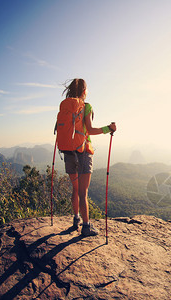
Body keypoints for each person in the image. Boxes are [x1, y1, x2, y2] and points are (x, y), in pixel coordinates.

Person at [61, 78, 116, 236]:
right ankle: (86, 226)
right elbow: (90, 130)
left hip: (68, 150)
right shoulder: (86, 106)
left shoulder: (66, 106)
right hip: (83, 151)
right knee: (83, 192)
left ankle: (76, 218)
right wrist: (109, 128)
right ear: (84, 91)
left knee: (75, 189)